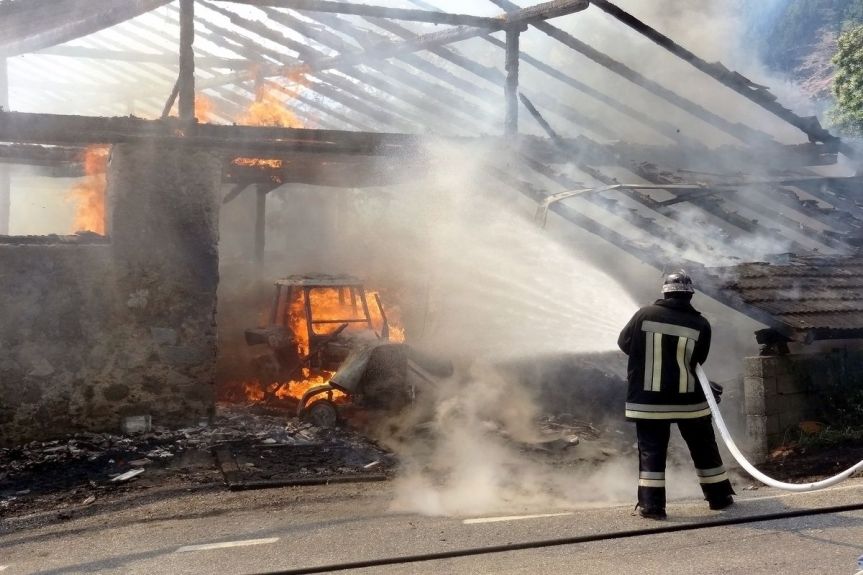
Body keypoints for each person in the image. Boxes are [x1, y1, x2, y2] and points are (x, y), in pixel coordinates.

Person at [617, 271, 735, 519]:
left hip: (648, 403)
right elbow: (698, 360)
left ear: (665, 292)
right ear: (690, 295)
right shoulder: (700, 324)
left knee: (652, 452)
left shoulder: (644, 314)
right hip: (688, 401)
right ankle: (719, 497)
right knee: (704, 447)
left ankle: (652, 506)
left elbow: (625, 343)